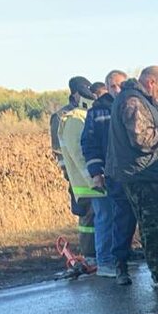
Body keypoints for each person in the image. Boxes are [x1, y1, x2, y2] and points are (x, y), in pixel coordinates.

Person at [108, 66, 158, 288]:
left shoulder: (145, 101)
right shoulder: (133, 102)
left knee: (155, 223)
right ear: (151, 82)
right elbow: (143, 140)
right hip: (140, 174)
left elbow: (155, 129)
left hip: (146, 171)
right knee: (154, 225)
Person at [82, 70, 137, 285]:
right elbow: (89, 143)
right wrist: (97, 172)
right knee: (119, 218)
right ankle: (117, 262)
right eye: (112, 86)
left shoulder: (134, 104)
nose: (117, 90)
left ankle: (150, 262)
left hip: (137, 172)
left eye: (120, 85)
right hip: (115, 174)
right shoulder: (98, 112)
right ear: (106, 88)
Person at [56, 77, 101, 259]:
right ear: (75, 93)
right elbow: (61, 150)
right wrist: (69, 174)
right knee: (86, 217)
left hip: (86, 175)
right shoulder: (65, 116)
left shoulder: (84, 112)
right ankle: (89, 252)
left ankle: (97, 251)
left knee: (96, 216)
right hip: (77, 177)